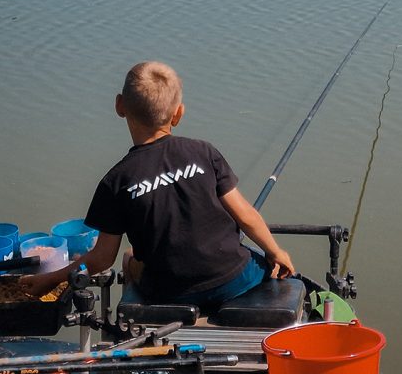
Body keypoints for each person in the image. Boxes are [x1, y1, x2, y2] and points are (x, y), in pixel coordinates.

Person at [22, 61, 295, 305]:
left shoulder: (115, 181)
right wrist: (275, 251)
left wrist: (51, 279)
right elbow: (245, 215)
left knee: (129, 257)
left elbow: (102, 259)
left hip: (171, 292)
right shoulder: (204, 152)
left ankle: (135, 327)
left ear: (119, 106)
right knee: (259, 260)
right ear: (178, 113)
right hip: (233, 277)